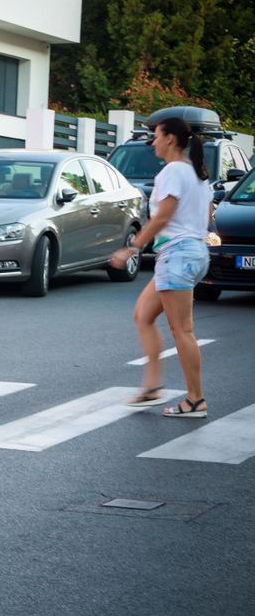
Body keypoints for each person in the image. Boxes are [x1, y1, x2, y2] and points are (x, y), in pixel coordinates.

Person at [110, 116, 212, 417]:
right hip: (192, 252)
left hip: (178, 255)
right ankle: (152, 387)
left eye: (156, 136)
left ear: (170, 139)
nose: (152, 142)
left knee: (183, 330)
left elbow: (163, 216)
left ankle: (195, 399)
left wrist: (133, 247)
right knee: (143, 315)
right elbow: (205, 218)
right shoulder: (198, 174)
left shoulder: (172, 172)